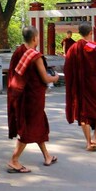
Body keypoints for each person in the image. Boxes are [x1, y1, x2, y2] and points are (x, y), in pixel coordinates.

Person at [6, 26, 59, 173]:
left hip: (22, 95)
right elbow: (45, 77)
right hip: (31, 98)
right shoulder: (34, 56)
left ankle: (47, 156)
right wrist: (55, 78)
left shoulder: (19, 51)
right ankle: (14, 160)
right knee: (28, 128)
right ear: (35, 38)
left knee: (38, 125)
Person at [63, 23, 96, 152]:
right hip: (95, 83)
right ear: (91, 32)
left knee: (83, 112)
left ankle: (89, 143)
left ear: (79, 33)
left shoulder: (73, 48)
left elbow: (67, 68)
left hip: (80, 85)